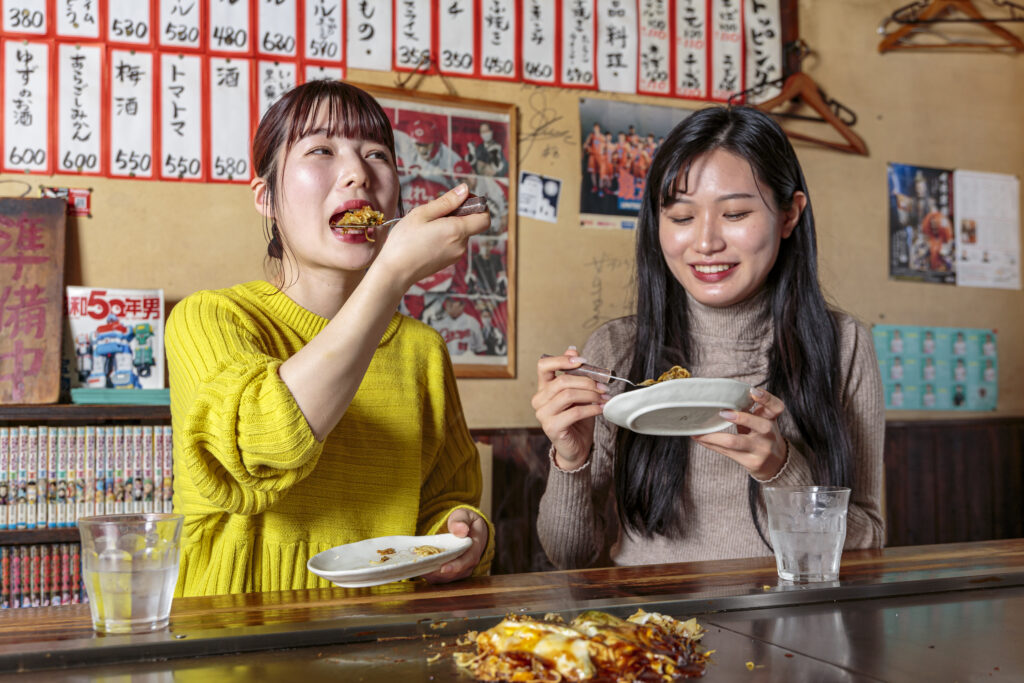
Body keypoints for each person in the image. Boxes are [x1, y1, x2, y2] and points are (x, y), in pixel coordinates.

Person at [166, 80, 493, 597]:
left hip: (386, 642)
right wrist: (391, 275)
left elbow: (445, 500)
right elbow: (263, 444)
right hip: (234, 635)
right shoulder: (210, 318)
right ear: (267, 197)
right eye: (321, 150)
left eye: (376, 155)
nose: (357, 173)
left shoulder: (421, 350)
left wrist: (459, 534)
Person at [533, 106, 885, 569]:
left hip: (789, 628)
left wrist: (782, 470)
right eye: (680, 217)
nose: (705, 242)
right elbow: (570, 557)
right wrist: (571, 458)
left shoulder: (843, 345)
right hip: (649, 628)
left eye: (735, 213)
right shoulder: (618, 349)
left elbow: (870, 537)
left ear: (789, 215)